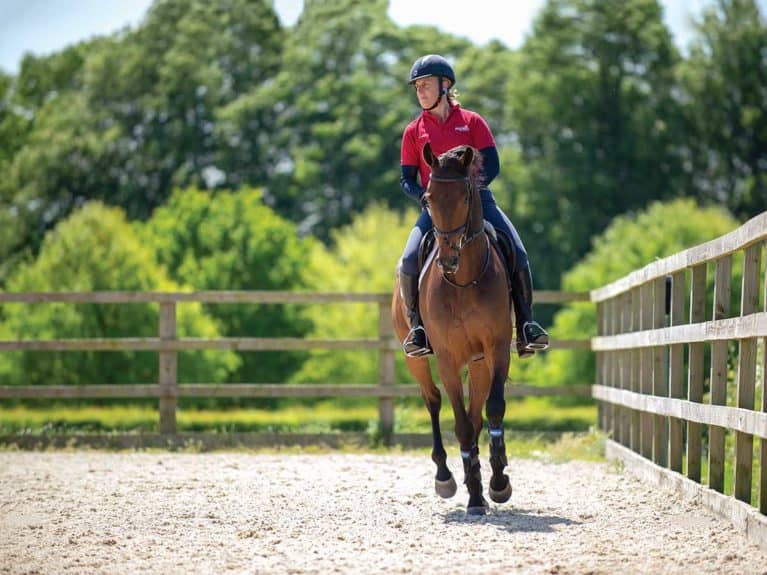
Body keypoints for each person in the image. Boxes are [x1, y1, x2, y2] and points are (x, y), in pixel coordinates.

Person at [398, 54, 548, 359]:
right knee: (408, 260)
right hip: (435, 211)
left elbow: (492, 165)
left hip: (479, 203)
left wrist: (469, 196)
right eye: (417, 86)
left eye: (426, 84)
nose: (421, 91)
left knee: (517, 251)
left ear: (445, 85)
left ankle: (526, 325)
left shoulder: (472, 122)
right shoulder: (413, 131)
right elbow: (406, 180)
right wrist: (428, 199)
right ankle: (419, 329)